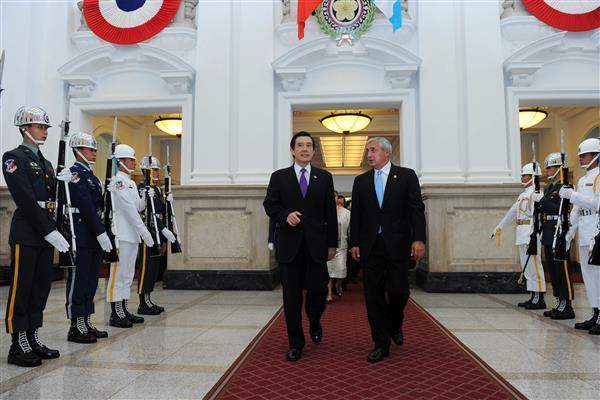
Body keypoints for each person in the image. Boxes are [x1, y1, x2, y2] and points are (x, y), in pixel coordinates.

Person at [3, 106, 70, 367]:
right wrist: (48, 230)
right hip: (28, 233)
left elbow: (52, 200)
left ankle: (32, 336)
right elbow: (25, 199)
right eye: (39, 127)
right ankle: (18, 343)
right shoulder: (13, 157)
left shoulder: (47, 163)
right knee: (22, 288)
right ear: (24, 128)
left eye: (45, 128)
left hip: (45, 232)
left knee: (41, 287)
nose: (44, 132)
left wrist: (63, 183)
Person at [349, 137, 426, 363]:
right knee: (373, 295)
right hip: (370, 246)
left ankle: (395, 324)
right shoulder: (361, 181)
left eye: (373, 150)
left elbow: (416, 210)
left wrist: (418, 239)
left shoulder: (406, 176)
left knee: (399, 291)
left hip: (398, 244)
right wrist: (354, 242)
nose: (369, 155)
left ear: (387, 152)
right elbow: (357, 215)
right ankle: (381, 343)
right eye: (367, 151)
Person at [263, 131, 337, 362]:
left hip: (317, 246)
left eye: (309, 145)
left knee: (318, 292)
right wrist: (285, 215)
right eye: (300, 145)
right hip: (289, 247)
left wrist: (332, 244)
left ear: (313, 151)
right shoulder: (279, 177)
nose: (305, 149)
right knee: (291, 298)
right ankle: (296, 342)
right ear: (292, 150)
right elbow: (270, 205)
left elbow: (330, 213)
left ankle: (314, 321)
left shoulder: (324, 177)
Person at [64, 132, 112, 343]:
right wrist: (100, 231)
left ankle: (86, 320)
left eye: (94, 150)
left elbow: (98, 206)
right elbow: (85, 205)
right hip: (82, 233)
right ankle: (75, 325)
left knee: (92, 279)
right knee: (80, 279)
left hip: (93, 233)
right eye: (90, 149)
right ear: (78, 150)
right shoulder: (74, 174)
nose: (94, 153)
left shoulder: (92, 176)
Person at [106, 144, 154, 328]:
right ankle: (115, 312)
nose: (134, 163)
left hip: (132, 235)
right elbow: (128, 210)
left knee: (128, 275)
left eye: (134, 159)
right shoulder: (118, 181)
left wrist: (145, 197)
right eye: (130, 160)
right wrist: (144, 231)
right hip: (122, 234)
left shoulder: (131, 183)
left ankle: (124, 309)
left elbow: (137, 207)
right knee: (118, 275)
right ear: (120, 162)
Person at [491, 163, 546, 309]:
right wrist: (500, 227)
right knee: (527, 267)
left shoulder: (537, 194)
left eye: (525, 175)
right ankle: (533, 296)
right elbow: (512, 213)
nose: (522, 178)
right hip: (521, 233)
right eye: (522, 175)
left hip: (531, 234)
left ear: (533, 177)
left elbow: (537, 218)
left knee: (535, 266)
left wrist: (533, 234)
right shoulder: (522, 195)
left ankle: (540, 298)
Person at [560, 138, 600, 334]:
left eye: (584, 155)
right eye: (581, 155)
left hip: (596, 232)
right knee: (588, 276)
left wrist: (573, 196)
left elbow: (596, 204)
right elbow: (577, 210)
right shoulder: (583, 180)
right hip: (584, 232)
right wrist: (569, 235)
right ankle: (595, 313)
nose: (581, 158)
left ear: (596, 156)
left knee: (598, 276)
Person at [534, 152, 575, 320]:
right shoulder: (550, 188)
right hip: (548, 231)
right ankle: (559, 302)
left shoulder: (566, 188)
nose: (548, 170)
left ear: (559, 168)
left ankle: (567, 306)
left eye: (550, 167)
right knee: (553, 270)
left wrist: (541, 201)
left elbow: (557, 207)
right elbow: (544, 209)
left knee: (562, 271)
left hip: (559, 231)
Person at [136, 156, 176, 315]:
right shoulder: (142, 188)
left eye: (157, 170)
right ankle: (142, 302)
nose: (157, 173)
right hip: (148, 231)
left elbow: (161, 213)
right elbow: (147, 213)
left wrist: (168, 202)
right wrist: (162, 229)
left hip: (157, 232)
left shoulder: (157, 189)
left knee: (153, 268)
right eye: (153, 170)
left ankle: (148, 299)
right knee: (146, 268)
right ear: (145, 171)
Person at [327, 191, 351, 302]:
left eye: (334, 196)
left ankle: (338, 284)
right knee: (328, 271)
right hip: (327, 246)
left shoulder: (346, 213)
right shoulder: (324, 211)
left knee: (341, 270)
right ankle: (329, 294)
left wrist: (353, 244)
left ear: (337, 198)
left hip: (342, 246)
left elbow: (350, 229)